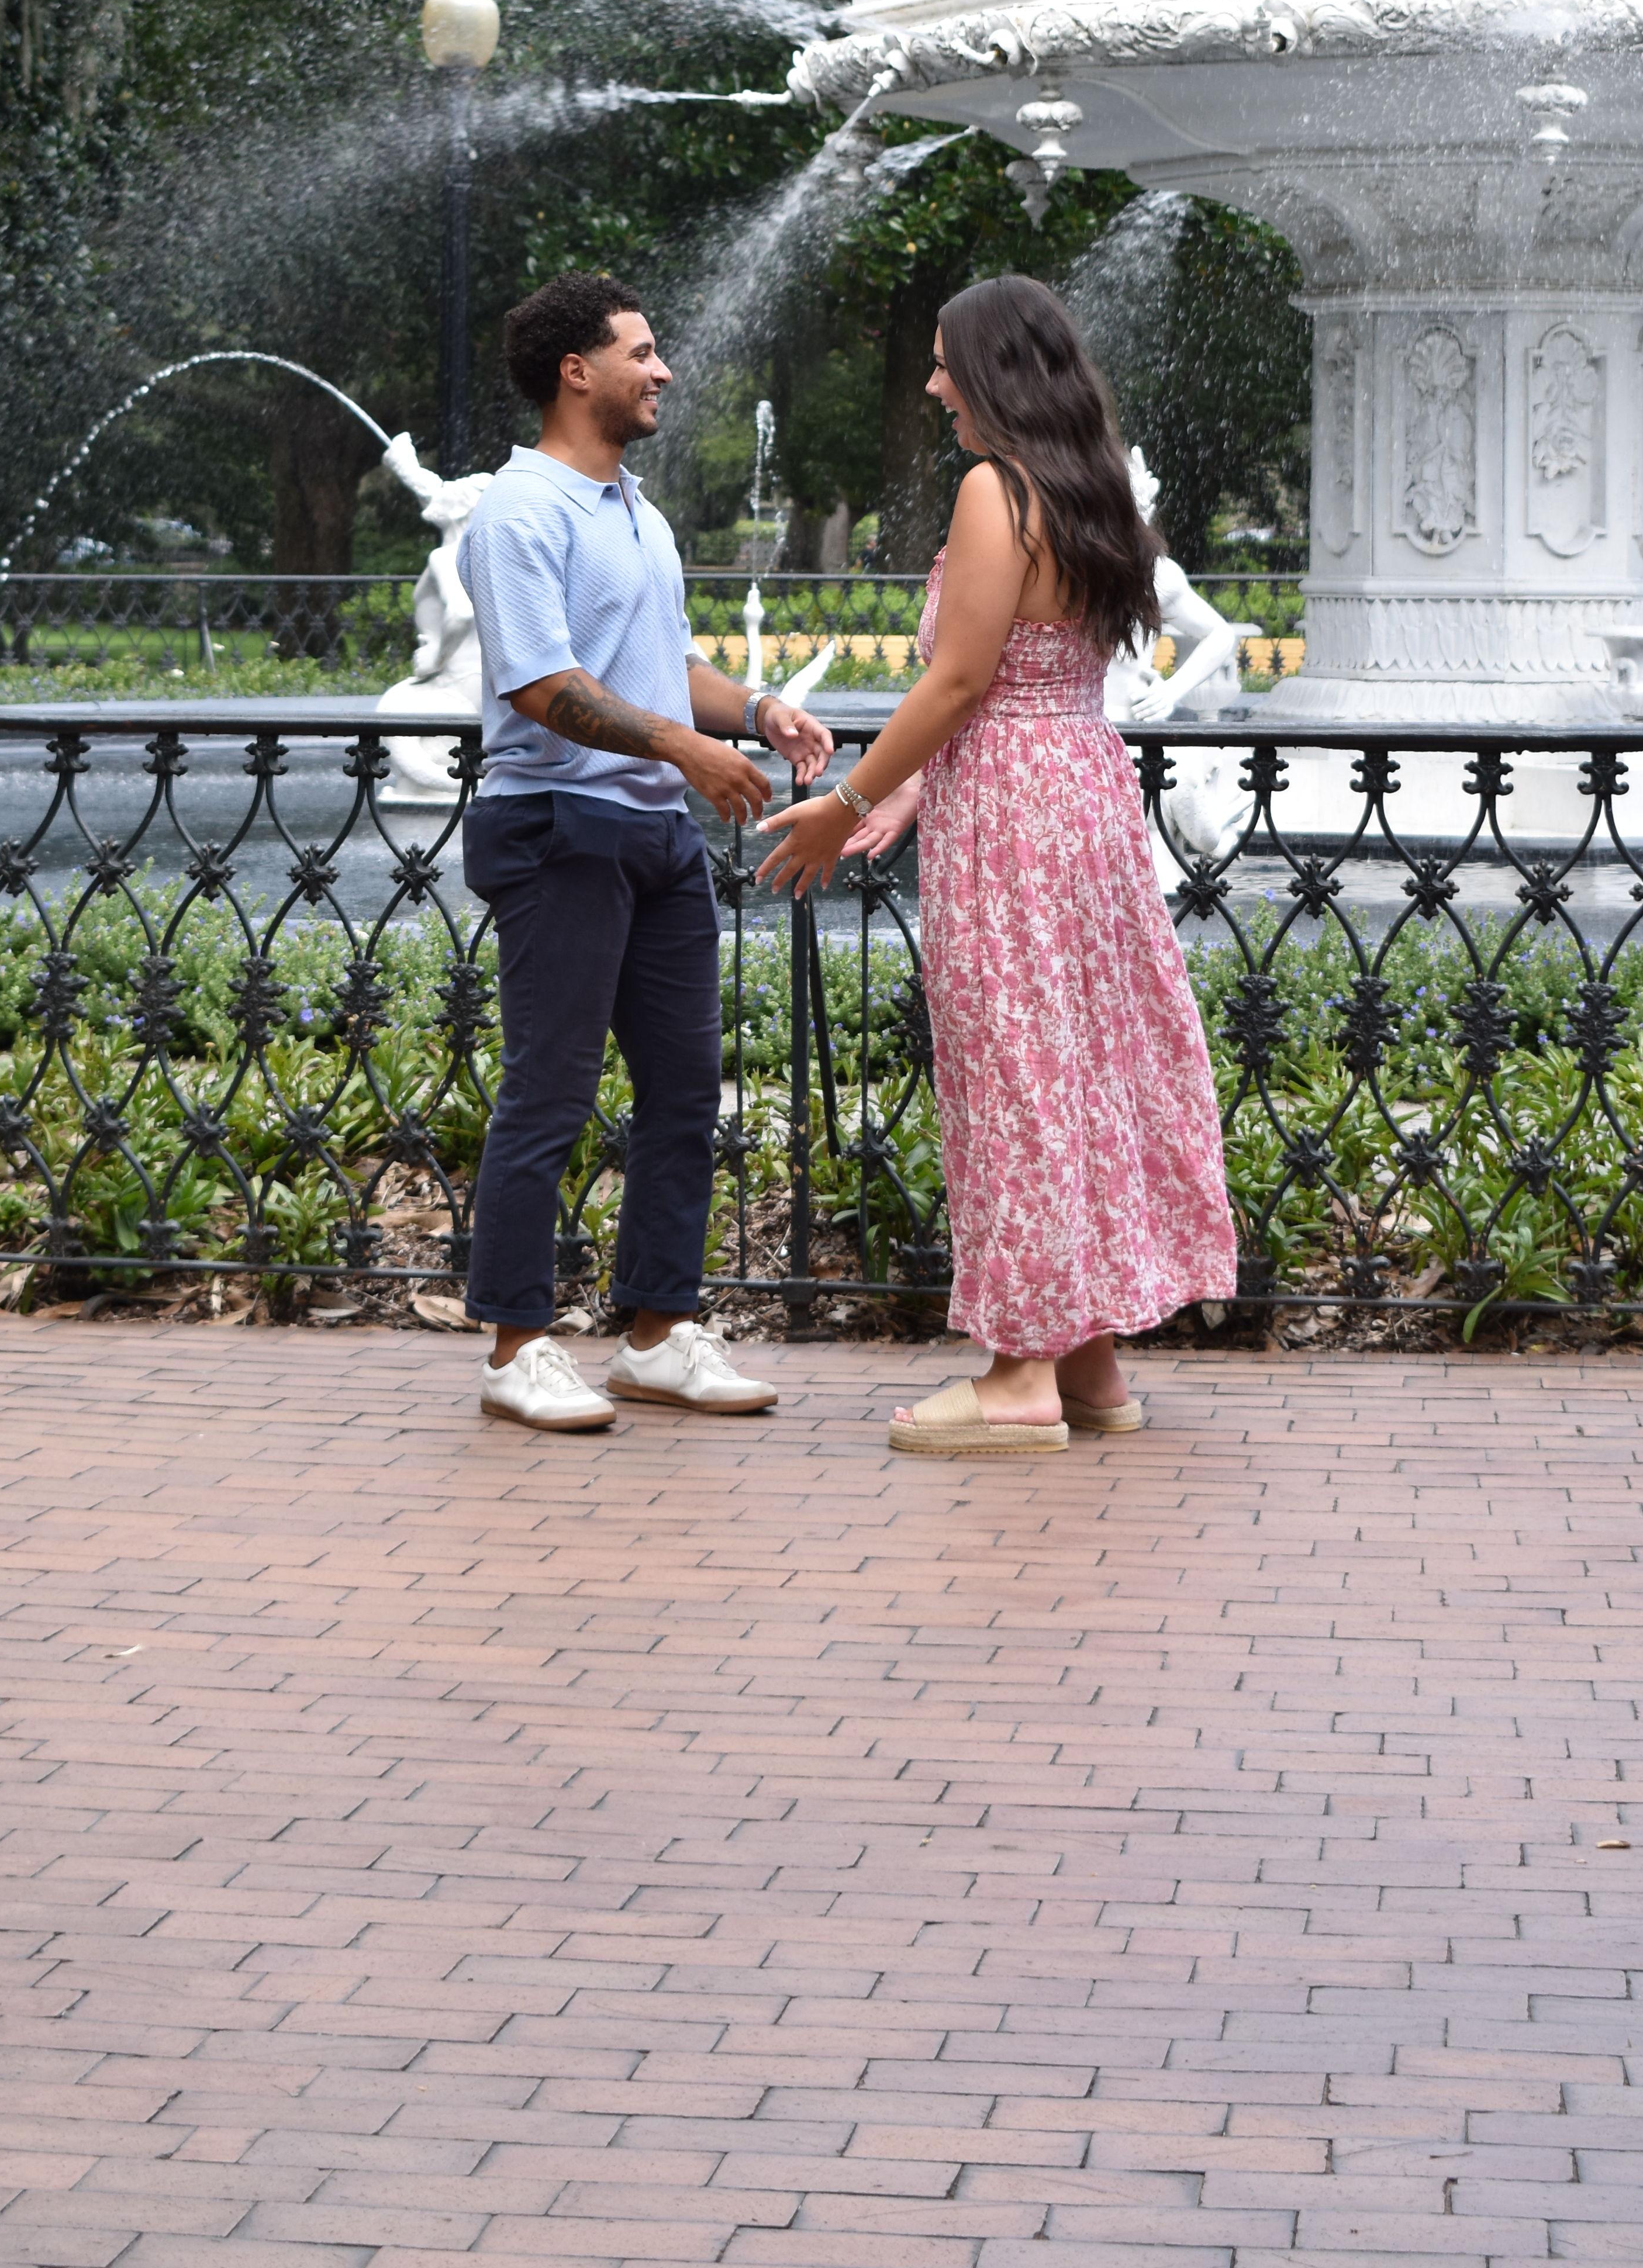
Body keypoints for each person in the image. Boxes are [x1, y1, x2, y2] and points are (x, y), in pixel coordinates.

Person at [755, 275, 1239, 1454]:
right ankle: (1090, 1365)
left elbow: (964, 680)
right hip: (1082, 798)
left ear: (995, 374)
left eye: (944, 364)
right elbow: (1036, 681)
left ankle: (1019, 1376)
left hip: (1016, 822)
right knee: (1081, 1067)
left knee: (1016, 1075)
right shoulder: (1088, 489)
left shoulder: (995, 490)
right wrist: (916, 789)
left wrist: (845, 798)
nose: (932, 386)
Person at [455, 272, 838, 1433]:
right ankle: (516, 1349)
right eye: (641, 351)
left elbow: (666, 666)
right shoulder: (518, 511)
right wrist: (683, 747)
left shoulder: (637, 510)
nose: (662, 369)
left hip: (654, 834)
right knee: (550, 1092)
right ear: (577, 372)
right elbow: (542, 686)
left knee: (682, 1092)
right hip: (556, 826)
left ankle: (659, 1336)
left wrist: (757, 711)